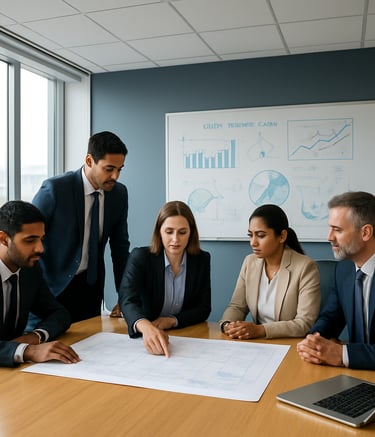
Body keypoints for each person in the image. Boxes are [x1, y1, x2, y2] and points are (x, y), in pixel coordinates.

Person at [32, 131, 130, 323]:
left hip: (90, 290)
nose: (115, 176)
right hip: (52, 290)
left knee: (87, 347)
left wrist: (125, 296)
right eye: (109, 168)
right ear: (89, 160)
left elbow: (120, 249)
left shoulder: (118, 194)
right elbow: (27, 238)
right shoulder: (55, 189)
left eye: (120, 169)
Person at [119, 200, 211, 357]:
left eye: (182, 232)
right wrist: (145, 326)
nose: (175, 239)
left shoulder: (201, 259)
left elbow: (203, 308)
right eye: (169, 232)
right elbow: (127, 300)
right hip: (144, 337)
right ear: (159, 232)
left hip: (185, 337)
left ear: (191, 233)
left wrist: (172, 320)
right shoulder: (140, 257)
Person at [297, 191, 375, 370]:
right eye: (330, 228)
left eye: (337, 230)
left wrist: (342, 354)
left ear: (366, 232)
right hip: (358, 376)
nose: (329, 237)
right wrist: (314, 341)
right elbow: (330, 317)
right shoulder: (344, 269)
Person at [220, 204, 320, 339]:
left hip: (290, 345)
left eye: (260, 235)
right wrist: (227, 325)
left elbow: (304, 323)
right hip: (258, 344)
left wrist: (261, 330)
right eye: (251, 235)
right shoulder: (250, 262)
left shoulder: (305, 267)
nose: (253, 242)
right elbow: (237, 307)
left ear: (282, 236)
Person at [0, 200, 79, 367]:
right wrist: (28, 350)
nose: (40, 248)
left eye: (41, 239)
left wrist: (35, 337)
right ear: (4, 239)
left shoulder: (29, 271)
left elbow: (59, 314)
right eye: (30, 240)